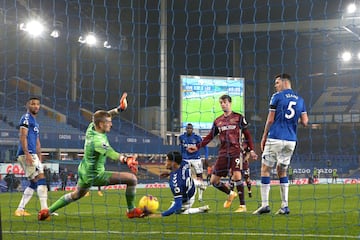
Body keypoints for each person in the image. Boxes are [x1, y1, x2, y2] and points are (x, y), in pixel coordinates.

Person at [38, 93, 145, 220]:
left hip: (84, 170)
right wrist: (126, 159)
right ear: (101, 125)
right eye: (109, 123)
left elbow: (105, 116)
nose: (111, 124)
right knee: (132, 179)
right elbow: (110, 152)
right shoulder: (98, 141)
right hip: (95, 175)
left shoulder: (91, 128)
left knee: (76, 195)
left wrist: (119, 109)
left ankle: (47, 211)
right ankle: (131, 210)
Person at [188, 94, 258, 213]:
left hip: (236, 151)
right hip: (223, 153)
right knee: (213, 181)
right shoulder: (218, 121)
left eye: (225, 102)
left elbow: (248, 135)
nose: (223, 104)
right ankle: (231, 193)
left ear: (230, 103)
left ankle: (243, 206)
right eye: (221, 102)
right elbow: (210, 136)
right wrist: (197, 147)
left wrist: (251, 150)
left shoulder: (239, 117)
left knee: (237, 176)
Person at [253, 73, 308, 215]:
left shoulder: (276, 96)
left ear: (284, 82)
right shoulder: (300, 100)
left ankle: (265, 205)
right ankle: (284, 206)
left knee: (265, 169)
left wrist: (264, 136)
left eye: (277, 82)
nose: (275, 85)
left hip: (276, 137)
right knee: (282, 171)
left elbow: (270, 120)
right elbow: (305, 122)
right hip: (291, 140)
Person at [14, 96, 49, 217]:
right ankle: (45, 210)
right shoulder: (26, 118)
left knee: (34, 183)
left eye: (37, 104)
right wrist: (28, 154)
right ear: (28, 105)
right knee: (41, 178)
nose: (36, 106)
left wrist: (39, 155)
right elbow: (23, 136)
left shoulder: (36, 122)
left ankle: (20, 209)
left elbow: (37, 141)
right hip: (26, 153)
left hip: (33, 154)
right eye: (33, 104)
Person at [150, 151, 210, 217]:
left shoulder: (176, 183)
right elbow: (180, 171)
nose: (165, 162)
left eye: (167, 160)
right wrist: (170, 173)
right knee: (189, 181)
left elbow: (178, 205)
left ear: (173, 162)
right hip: (191, 186)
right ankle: (199, 184)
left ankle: (200, 209)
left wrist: (161, 215)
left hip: (188, 198)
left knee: (177, 211)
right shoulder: (184, 163)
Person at [179, 123, 208, 202]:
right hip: (186, 159)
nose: (189, 130)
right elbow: (181, 148)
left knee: (200, 176)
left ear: (192, 129)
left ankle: (200, 197)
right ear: (186, 129)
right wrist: (181, 157)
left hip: (196, 159)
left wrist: (206, 157)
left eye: (190, 128)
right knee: (184, 177)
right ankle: (184, 195)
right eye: (188, 128)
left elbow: (205, 146)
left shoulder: (197, 138)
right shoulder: (181, 137)